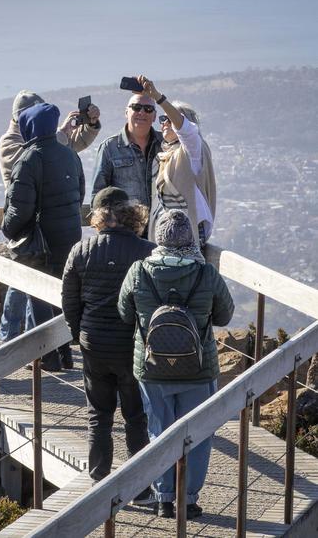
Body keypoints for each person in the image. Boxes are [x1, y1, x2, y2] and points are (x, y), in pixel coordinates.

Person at [118, 209, 234, 520]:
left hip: (153, 368)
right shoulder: (206, 273)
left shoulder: (139, 271)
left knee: (158, 432)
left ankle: (163, 499)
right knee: (198, 434)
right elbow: (224, 315)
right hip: (198, 369)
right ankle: (189, 500)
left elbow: (124, 313)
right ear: (190, 240)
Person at [61, 187, 154, 495]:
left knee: (99, 415)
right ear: (130, 213)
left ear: (98, 216)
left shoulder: (81, 251)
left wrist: (79, 334)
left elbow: (69, 301)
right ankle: (139, 487)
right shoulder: (147, 251)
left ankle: (99, 480)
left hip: (95, 344)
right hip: (132, 345)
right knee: (135, 417)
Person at [0, 90, 101, 346]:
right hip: (28, 229)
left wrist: (90, 126)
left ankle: (44, 345)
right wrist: (61, 133)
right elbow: (30, 158)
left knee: (42, 289)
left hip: (46, 228)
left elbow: (67, 146)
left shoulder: (47, 144)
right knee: (21, 285)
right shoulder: (10, 142)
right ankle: (8, 340)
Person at [137, 75, 216, 248]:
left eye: (170, 119)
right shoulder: (165, 155)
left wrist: (158, 97)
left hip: (190, 230)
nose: (165, 123)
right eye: (162, 119)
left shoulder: (193, 150)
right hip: (169, 230)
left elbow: (185, 130)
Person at [91, 87, 162, 214]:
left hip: (161, 227)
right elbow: (98, 196)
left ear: (155, 116)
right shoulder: (109, 147)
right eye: (136, 107)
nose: (142, 112)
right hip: (126, 229)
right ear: (126, 112)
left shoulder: (165, 144)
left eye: (148, 109)